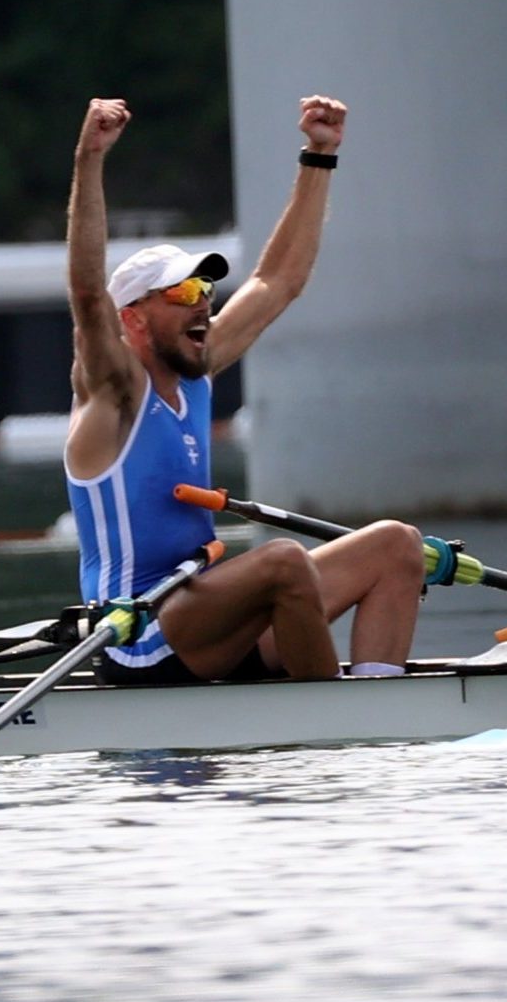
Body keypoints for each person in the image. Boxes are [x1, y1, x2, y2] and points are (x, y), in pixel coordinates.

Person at [63, 96, 424, 685]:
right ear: (131, 319)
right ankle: (335, 716)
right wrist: (89, 159)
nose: (203, 300)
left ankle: (379, 704)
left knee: (396, 545)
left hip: (206, 612)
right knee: (283, 561)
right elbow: (85, 295)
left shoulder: (197, 370)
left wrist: (319, 155)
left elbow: (278, 280)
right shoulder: (113, 392)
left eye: (204, 286)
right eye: (181, 294)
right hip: (139, 637)